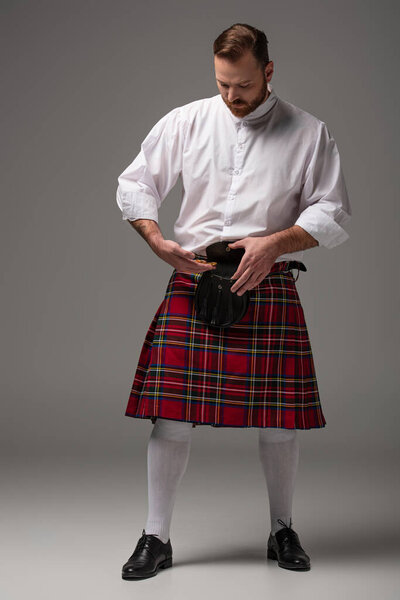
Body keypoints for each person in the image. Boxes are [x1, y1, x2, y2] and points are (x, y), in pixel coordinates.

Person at [116, 23, 351, 579]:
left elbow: (332, 211)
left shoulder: (308, 132)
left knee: (279, 420)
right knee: (170, 414)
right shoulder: (188, 120)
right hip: (195, 275)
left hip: (265, 279)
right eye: (222, 83)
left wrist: (275, 243)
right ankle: (156, 537)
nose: (231, 96)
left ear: (268, 71)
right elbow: (135, 183)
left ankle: (282, 529)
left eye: (243, 84)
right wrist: (155, 238)